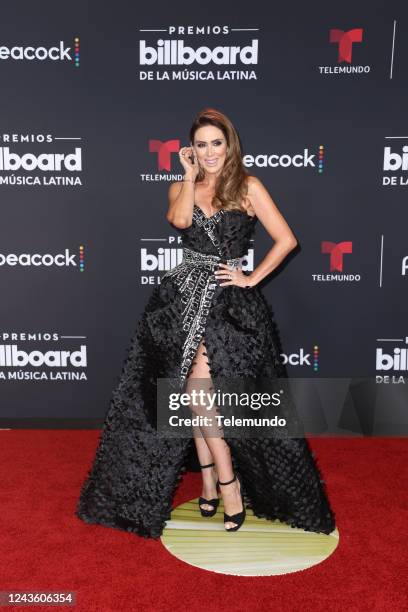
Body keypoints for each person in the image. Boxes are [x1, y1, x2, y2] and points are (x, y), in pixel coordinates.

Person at [76, 107, 336, 537]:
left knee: (199, 393)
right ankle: (212, 479)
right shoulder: (181, 187)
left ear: (229, 145)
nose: (210, 151)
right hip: (181, 298)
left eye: (216, 143)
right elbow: (179, 220)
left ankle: (227, 482)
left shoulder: (248, 186)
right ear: (191, 149)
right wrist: (186, 173)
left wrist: (250, 277)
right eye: (201, 145)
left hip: (229, 303)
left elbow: (287, 239)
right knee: (189, 395)